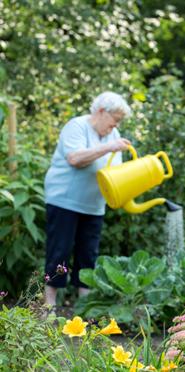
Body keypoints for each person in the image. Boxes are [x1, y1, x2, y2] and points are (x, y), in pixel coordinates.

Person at [44, 91, 132, 308]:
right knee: (59, 251)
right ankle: (49, 305)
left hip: (94, 205)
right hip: (64, 199)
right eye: (115, 120)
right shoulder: (76, 126)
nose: (115, 126)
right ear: (102, 112)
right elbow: (75, 158)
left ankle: (85, 307)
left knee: (88, 255)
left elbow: (116, 171)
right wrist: (108, 147)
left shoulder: (113, 134)